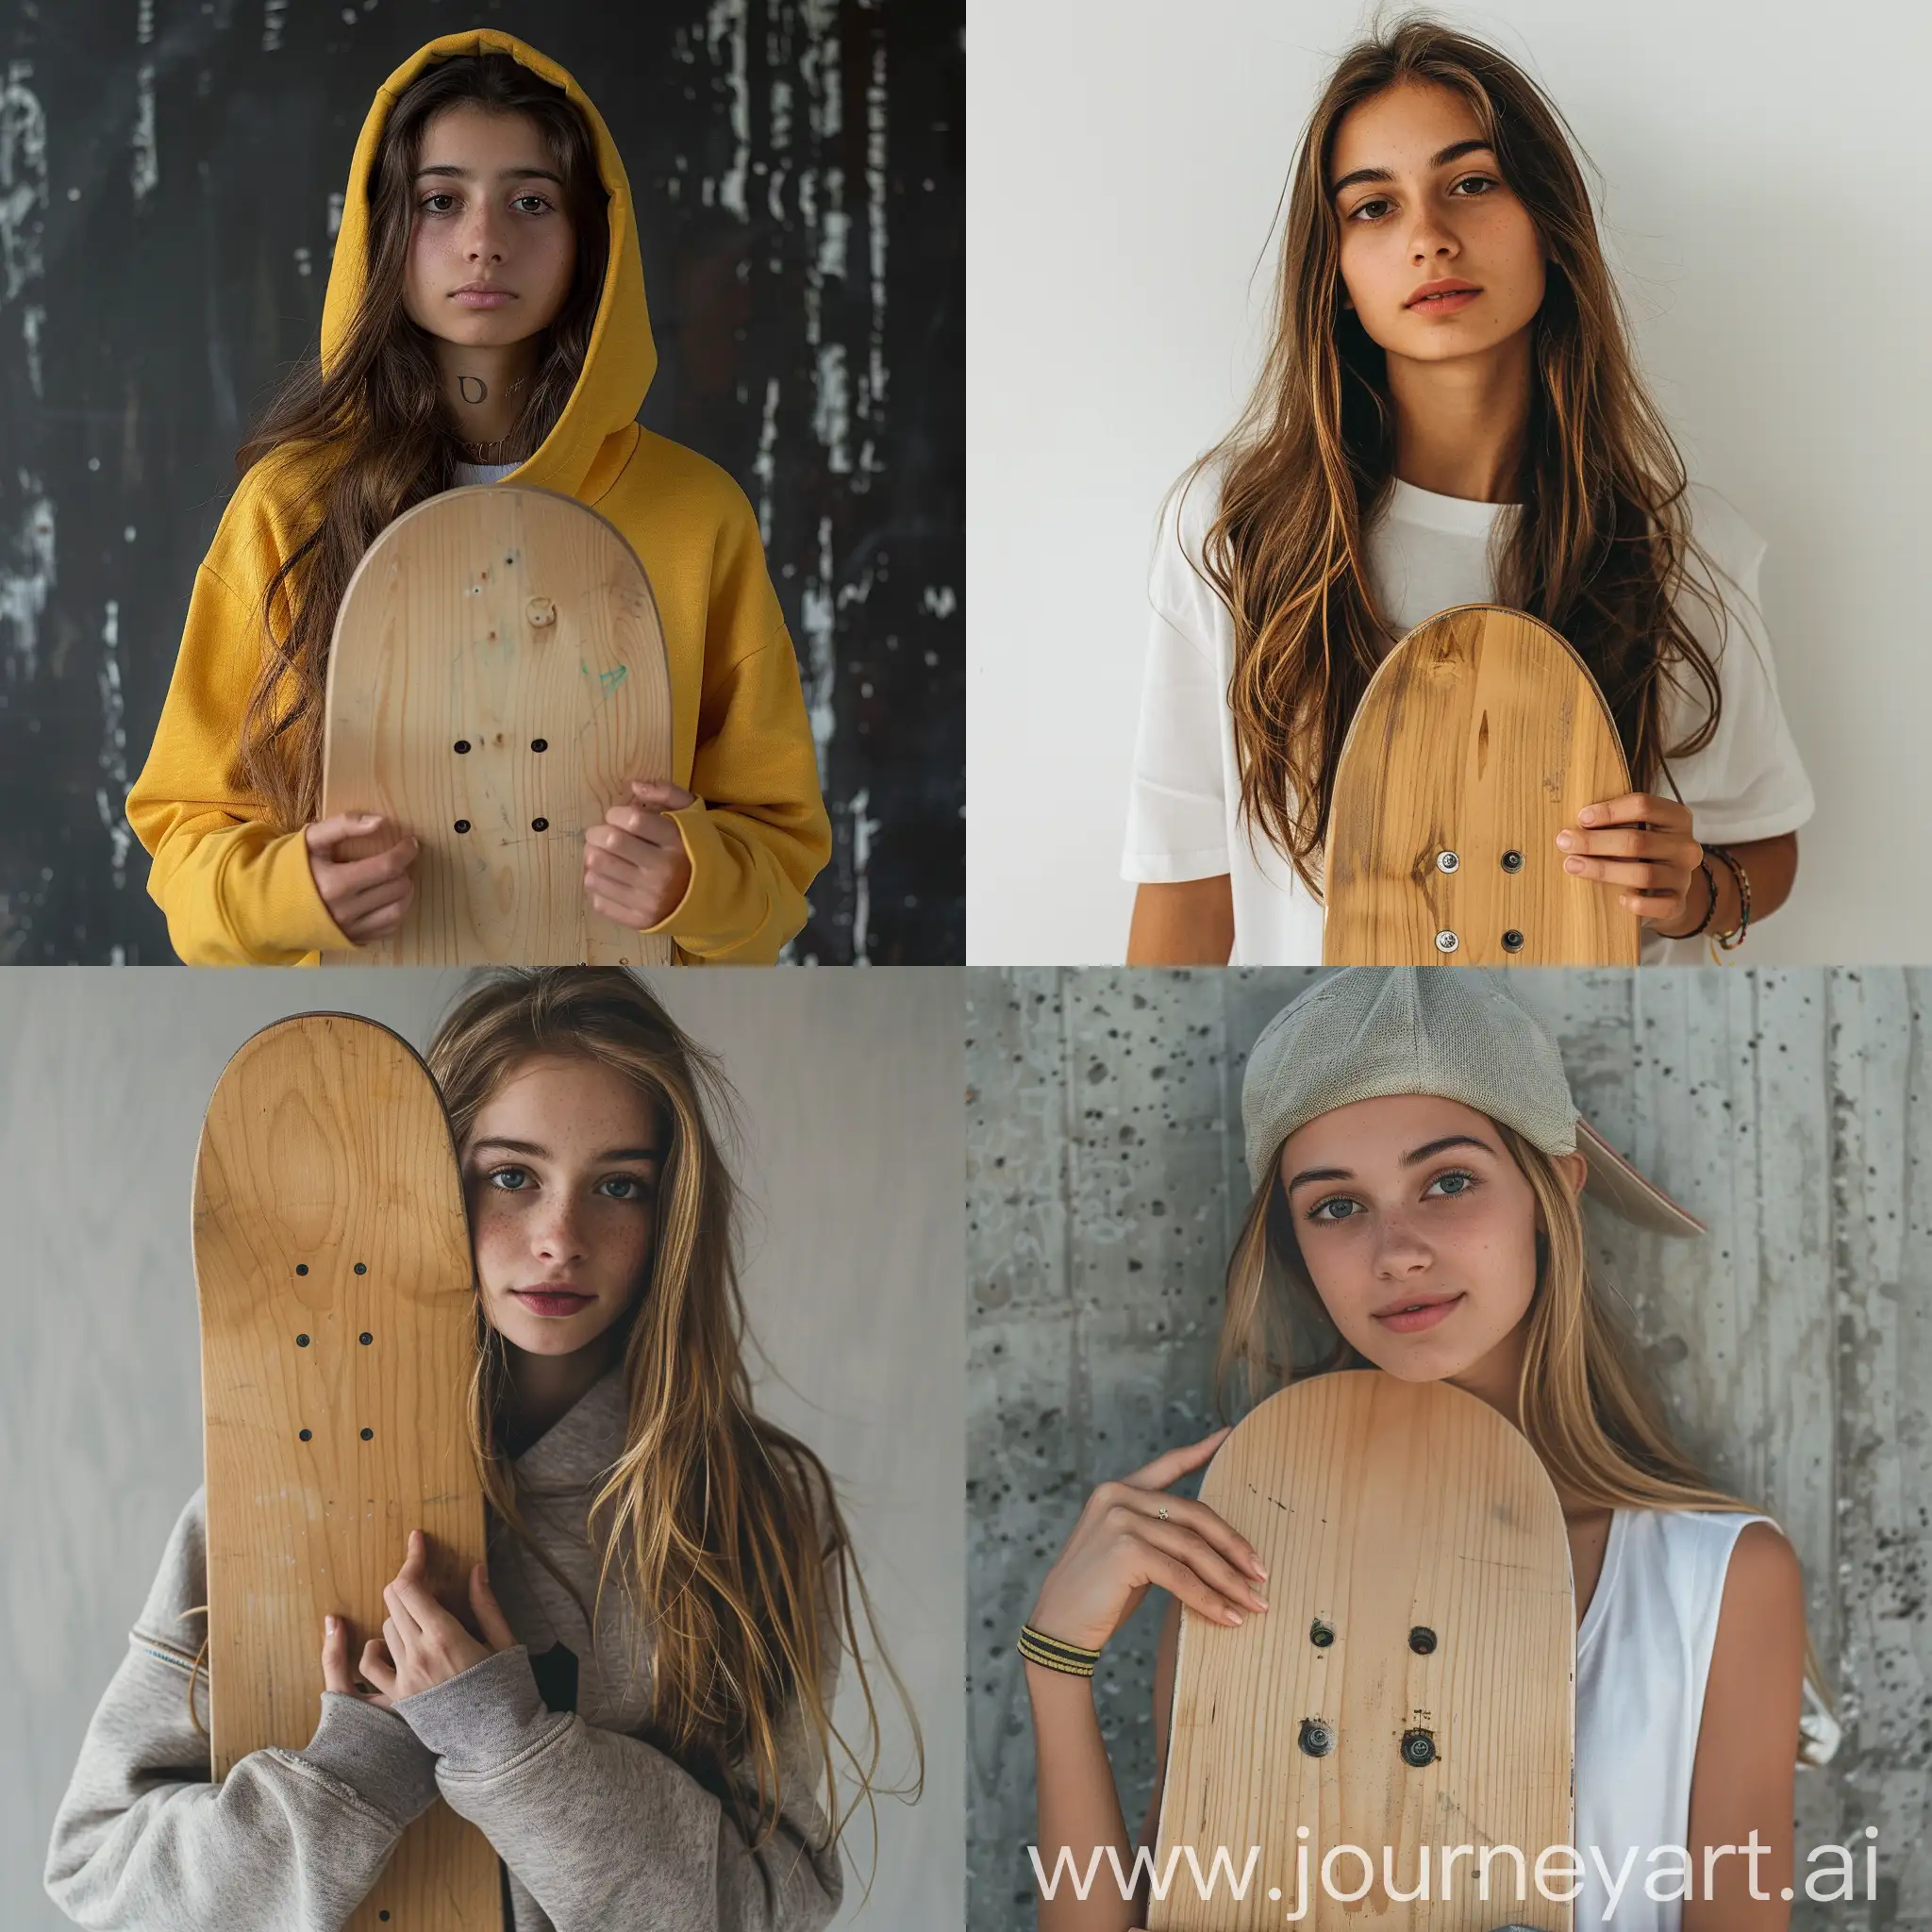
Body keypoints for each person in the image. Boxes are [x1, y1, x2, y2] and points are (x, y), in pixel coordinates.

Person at [46, 968, 914, 1929]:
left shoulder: (753, 1506)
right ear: (427, 1183)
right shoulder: (271, 1494)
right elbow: (103, 1883)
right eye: (511, 1176)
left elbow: (771, 1906)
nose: (559, 1237)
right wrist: (350, 1778)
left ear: (669, 1216)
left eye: (618, 1185)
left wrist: (509, 1745)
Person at [1020, 969, 1834, 1931]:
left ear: (1550, 1190)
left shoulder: (1717, 1581)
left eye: (1447, 1181)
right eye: (1334, 1205)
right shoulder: (1234, 1552)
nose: (1395, 1248)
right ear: (1294, 1244)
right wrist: (1055, 1666)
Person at [127, 33, 830, 965]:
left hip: (625, 997)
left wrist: (696, 879)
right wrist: (290, 891)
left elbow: (781, 854)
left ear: (592, 237)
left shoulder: (696, 513)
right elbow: (184, 832)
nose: (485, 240)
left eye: (531, 201)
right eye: (440, 201)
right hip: (357, 1011)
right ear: (383, 227)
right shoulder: (286, 505)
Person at [1123, 21, 1812, 966]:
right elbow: (1184, 886)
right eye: (1372, 208)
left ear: (1550, 224)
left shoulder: (1679, 544)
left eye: (1471, 183)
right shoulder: (1235, 529)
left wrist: (1691, 894)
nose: (1428, 238)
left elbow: (1762, 843)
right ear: (1334, 275)